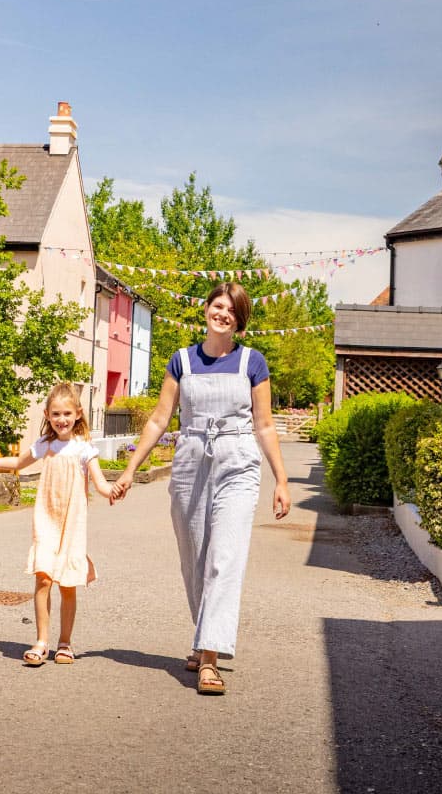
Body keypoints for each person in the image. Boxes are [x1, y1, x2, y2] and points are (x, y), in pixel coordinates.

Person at [110, 282, 291, 695]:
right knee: (194, 557)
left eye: (231, 309)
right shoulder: (181, 361)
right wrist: (129, 470)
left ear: (239, 320)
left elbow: (263, 424)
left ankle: (210, 656)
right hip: (191, 458)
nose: (222, 313)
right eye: (217, 305)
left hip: (238, 461)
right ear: (206, 310)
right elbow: (159, 419)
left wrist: (280, 479)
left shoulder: (252, 362)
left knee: (224, 558)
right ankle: (203, 635)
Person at [0, 383, 115, 666]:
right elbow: (18, 462)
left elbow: (100, 483)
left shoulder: (85, 449)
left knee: (68, 583)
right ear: (47, 415)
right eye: (56, 414)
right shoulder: (44, 445)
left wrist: (112, 490)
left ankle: (65, 642)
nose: (61, 419)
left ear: (78, 414)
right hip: (46, 520)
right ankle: (41, 641)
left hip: (72, 525)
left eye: (66, 414)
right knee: (43, 578)